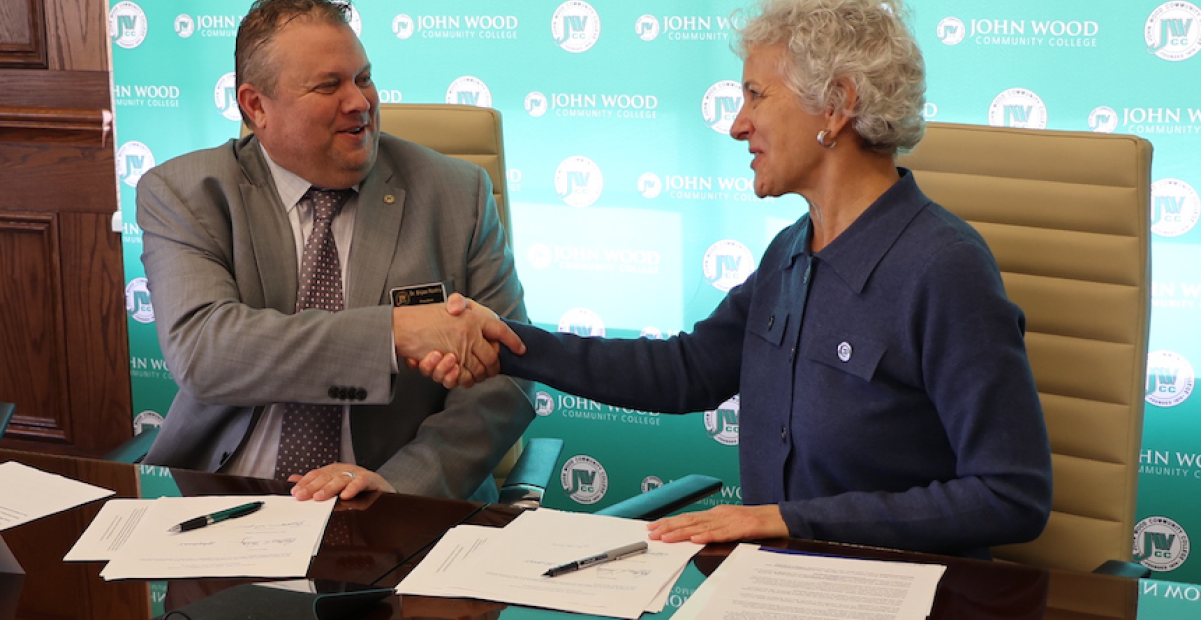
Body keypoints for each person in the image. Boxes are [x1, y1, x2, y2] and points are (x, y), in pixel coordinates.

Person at [421, 0, 1052, 558]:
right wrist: (510, 345)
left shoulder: (945, 268)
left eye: (756, 95)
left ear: (836, 105)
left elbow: (1011, 494)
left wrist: (785, 521)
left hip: (899, 593)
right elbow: (686, 370)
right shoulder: (789, 254)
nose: (737, 123)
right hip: (772, 583)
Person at [137, 0, 533, 504]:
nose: (359, 102)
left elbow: (508, 377)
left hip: (393, 498)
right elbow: (205, 352)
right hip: (226, 493)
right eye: (329, 86)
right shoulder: (186, 193)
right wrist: (392, 334)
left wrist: (403, 483)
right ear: (255, 106)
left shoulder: (458, 194)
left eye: (363, 78)